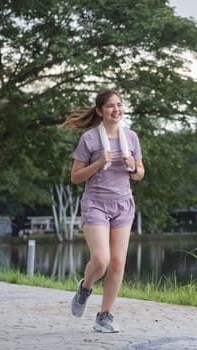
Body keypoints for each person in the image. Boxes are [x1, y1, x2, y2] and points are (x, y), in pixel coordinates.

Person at [60, 88, 144, 333]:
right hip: (95, 203)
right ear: (99, 111)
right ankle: (85, 288)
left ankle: (104, 316)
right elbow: (75, 177)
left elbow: (140, 174)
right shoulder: (89, 139)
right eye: (110, 106)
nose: (116, 109)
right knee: (101, 259)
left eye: (119, 104)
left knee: (117, 263)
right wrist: (98, 162)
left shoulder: (131, 137)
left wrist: (132, 167)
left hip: (123, 205)